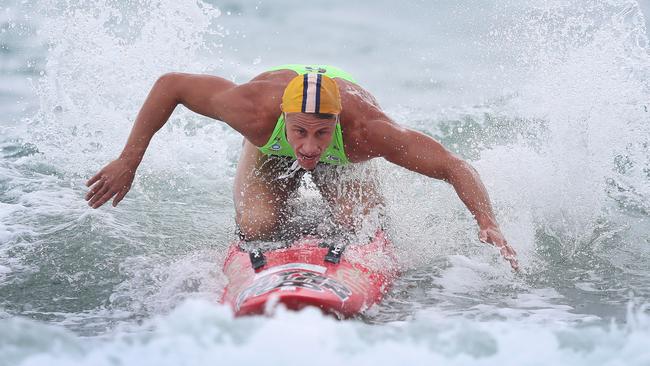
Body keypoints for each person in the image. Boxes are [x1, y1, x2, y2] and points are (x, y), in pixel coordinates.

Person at [84, 64, 519, 270]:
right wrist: (128, 161)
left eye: (320, 134)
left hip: (349, 152)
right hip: (268, 151)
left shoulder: (367, 132)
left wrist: (487, 221)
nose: (309, 147)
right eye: (300, 132)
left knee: (361, 225)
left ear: (337, 126)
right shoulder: (252, 112)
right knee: (258, 226)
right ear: (284, 121)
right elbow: (171, 85)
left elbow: (454, 166)